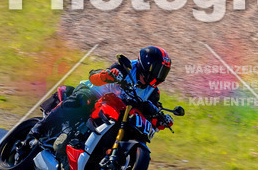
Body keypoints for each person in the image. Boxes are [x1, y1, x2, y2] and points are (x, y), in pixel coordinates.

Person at [32, 46, 173, 142]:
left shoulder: (153, 92)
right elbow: (93, 77)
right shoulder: (125, 68)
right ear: (147, 66)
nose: (160, 75)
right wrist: (107, 75)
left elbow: (151, 114)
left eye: (163, 72)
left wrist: (161, 121)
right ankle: (42, 127)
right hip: (95, 95)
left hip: (116, 114)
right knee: (82, 101)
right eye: (158, 70)